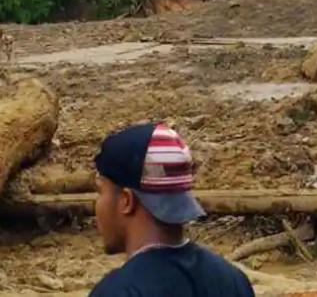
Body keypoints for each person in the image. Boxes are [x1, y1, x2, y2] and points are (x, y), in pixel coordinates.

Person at [89, 123, 254, 297]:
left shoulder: (120, 292)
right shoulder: (232, 280)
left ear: (126, 201)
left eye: (101, 192)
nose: (97, 205)